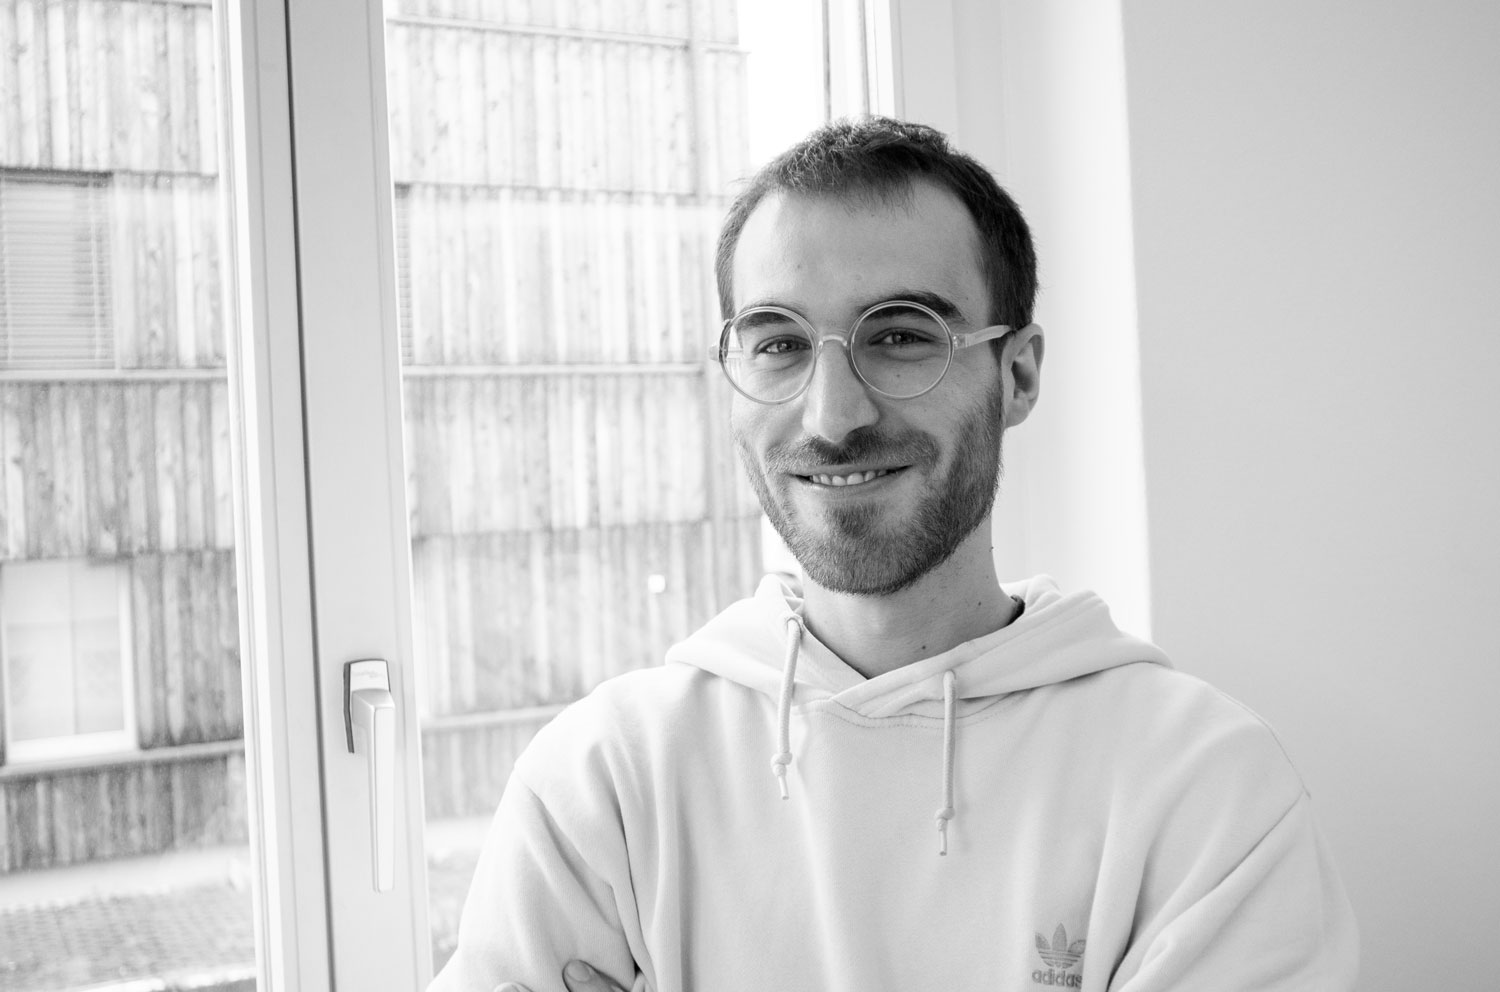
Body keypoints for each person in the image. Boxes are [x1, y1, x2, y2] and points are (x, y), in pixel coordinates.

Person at [428, 117, 1359, 992]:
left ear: (1018, 373)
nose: (834, 415)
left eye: (903, 336)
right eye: (779, 343)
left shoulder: (1203, 787)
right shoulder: (606, 780)